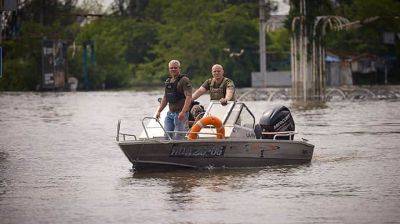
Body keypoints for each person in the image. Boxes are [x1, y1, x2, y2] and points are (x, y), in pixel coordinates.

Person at [155, 60, 193, 139]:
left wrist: (183, 112)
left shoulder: (184, 80)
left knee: (178, 137)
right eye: (171, 68)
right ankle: (167, 150)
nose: (173, 69)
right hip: (170, 114)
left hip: (181, 114)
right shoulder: (168, 81)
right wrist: (159, 111)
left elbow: (189, 97)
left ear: (179, 69)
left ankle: (181, 149)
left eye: (175, 68)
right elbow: (165, 98)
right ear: (169, 69)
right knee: (166, 136)